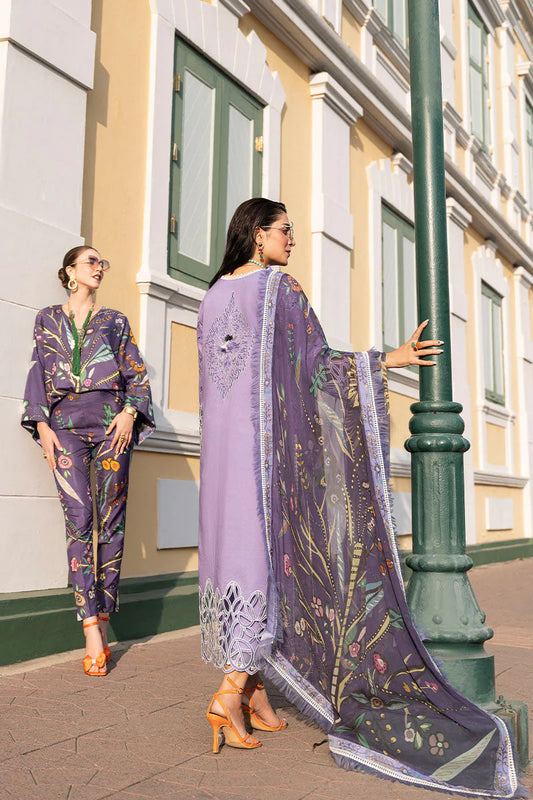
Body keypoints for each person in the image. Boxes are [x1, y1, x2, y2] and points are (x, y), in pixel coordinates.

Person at [197, 198, 520, 797]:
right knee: (267, 559)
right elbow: (317, 369)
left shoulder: (212, 295)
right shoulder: (278, 290)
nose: (291, 240)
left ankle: (255, 689)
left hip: (220, 457)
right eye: (284, 231)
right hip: (264, 457)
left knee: (234, 559)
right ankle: (228, 695)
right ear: (257, 234)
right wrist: (386, 360)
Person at [21, 246, 154, 676]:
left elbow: (136, 372)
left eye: (103, 263)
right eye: (91, 262)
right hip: (63, 427)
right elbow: (38, 370)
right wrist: (41, 427)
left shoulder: (115, 321)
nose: (99, 268)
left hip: (112, 424)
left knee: (111, 519)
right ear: (70, 273)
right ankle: (91, 627)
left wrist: (130, 414)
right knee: (78, 518)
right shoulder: (47, 318)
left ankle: (105, 612)